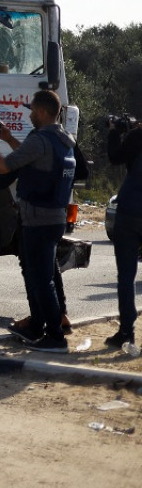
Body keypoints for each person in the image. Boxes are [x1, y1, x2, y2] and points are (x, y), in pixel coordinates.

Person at [0, 89, 77, 353]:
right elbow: (33, 159)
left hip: (37, 219)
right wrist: (10, 139)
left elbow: (4, 167)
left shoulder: (41, 139)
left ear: (43, 112)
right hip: (55, 217)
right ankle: (41, 327)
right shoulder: (64, 139)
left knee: (41, 279)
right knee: (46, 276)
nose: (30, 115)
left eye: (32, 110)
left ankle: (55, 338)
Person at [104, 115, 141, 348]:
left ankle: (127, 330)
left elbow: (115, 157)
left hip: (131, 210)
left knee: (126, 276)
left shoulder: (137, 135)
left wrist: (115, 132)